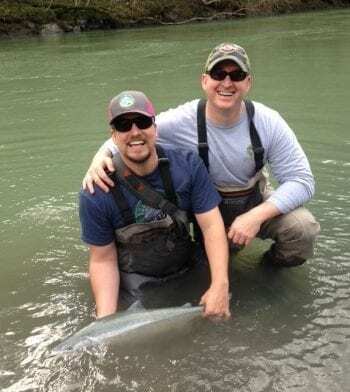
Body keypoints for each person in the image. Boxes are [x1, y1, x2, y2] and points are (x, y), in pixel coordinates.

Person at [83, 42, 320, 268]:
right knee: (208, 271)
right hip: (206, 212)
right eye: (218, 74)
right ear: (204, 81)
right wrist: (98, 158)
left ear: (248, 82)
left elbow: (302, 181)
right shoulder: (180, 120)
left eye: (236, 75)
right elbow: (133, 134)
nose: (226, 83)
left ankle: (267, 271)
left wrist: (255, 216)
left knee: (303, 229)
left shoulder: (269, 122)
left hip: (255, 203)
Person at [79, 90, 230, 319]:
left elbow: (211, 227)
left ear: (155, 129)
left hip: (185, 267)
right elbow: (103, 260)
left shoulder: (188, 165)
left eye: (142, 122)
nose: (135, 132)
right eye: (123, 125)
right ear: (113, 136)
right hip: (136, 280)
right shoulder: (95, 192)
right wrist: (106, 321)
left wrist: (220, 284)